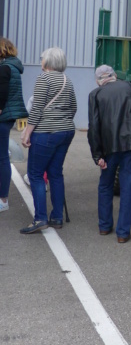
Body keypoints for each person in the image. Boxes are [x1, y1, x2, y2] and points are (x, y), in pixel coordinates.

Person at [87, 65, 131, 243]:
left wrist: (97, 155)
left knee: (105, 186)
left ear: (98, 80)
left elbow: (94, 128)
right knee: (127, 189)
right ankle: (123, 233)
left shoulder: (95, 95)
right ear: (114, 76)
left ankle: (104, 226)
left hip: (108, 150)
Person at [20, 47, 77, 233]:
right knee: (55, 173)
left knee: (36, 175)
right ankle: (57, 217)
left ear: (48, 62)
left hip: (46, 133)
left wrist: (27, 132)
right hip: (66, 131)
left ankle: (40, 218)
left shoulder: (43, 78)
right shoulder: (67, 80)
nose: (40, 60)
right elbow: (74, 107)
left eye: (42, 58)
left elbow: (36, 109)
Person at [0, 38, 28, 213]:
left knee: (2, 158)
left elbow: (1, 96)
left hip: (3, 118)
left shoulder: (5, 68)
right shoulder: (14, 67)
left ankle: (3, 200)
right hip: (9, 117)